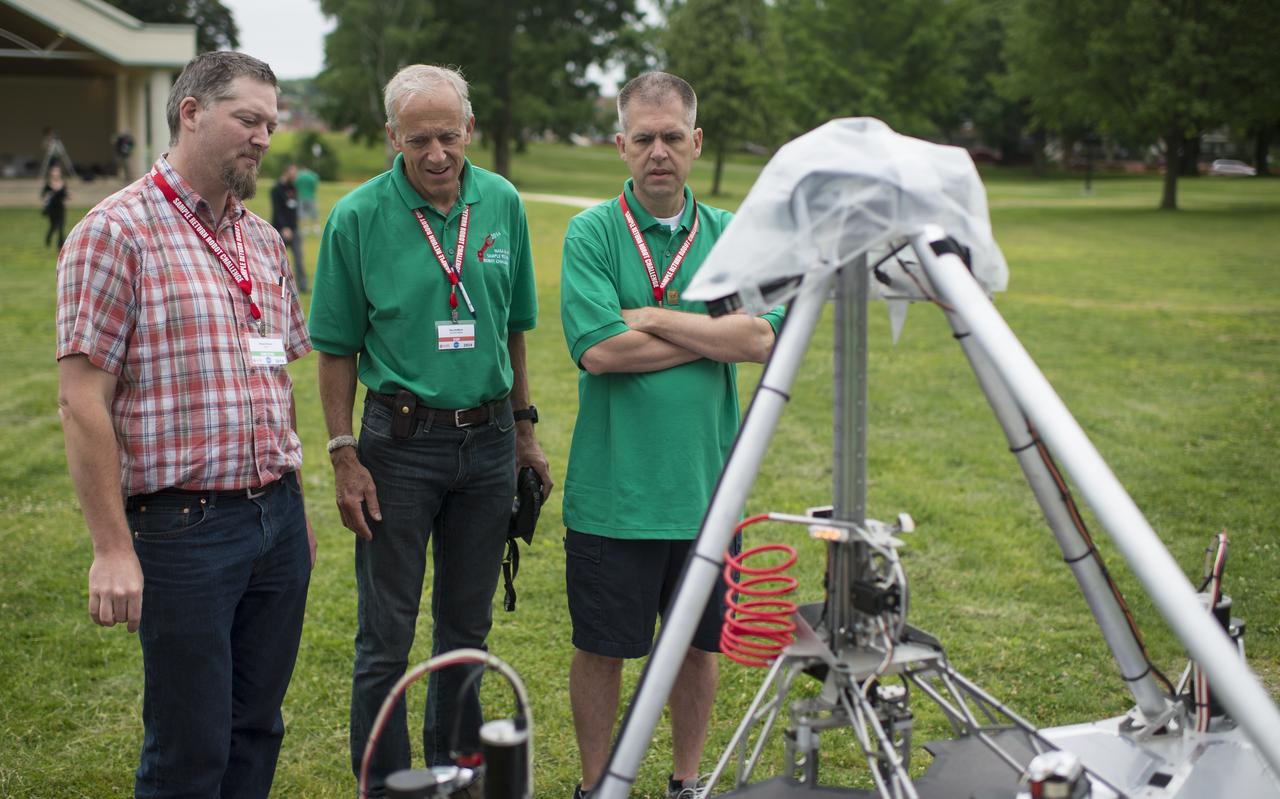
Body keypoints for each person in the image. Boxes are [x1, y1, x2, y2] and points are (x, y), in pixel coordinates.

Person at [55, 51, 315, 798]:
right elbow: (81, 401)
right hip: (184, 532)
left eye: (271, 121)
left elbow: (277, 376)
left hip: (275, 520)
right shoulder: (115, 232)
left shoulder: (261, 241)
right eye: (248, 118)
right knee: (189, 747)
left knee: (257, 727)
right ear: (191, 112)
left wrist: (291, 503)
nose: (265, 136)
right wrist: (111, 548)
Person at [309, 63, 552, 797]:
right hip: (397, 446)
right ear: (393, 137)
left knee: (467, 631)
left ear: (469, 130)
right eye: (419, 139)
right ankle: (385, 785)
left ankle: (456, 776)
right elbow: (335, 348)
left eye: (449, 135)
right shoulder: (356, 217)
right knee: (385, 638)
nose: (437, 153)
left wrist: (526, 431)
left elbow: (512, 329)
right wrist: (343, 453)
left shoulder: (502, 202)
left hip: (487, 443)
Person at [559, 71, 785, 799]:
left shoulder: (728, 234)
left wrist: (651, 315)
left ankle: (687, 781)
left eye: (673, 136)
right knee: (601, 649)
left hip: (706, 491)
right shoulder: (592, 232)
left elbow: (762, 339)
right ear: (621, 145)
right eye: (644, 138)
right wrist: (711, 333)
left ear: (697, 141)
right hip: (613, 493)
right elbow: (599, 351)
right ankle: (600, 787)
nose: (659, 151)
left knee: (697, 646)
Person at [271, 161, 308, 292]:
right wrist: (284, 227)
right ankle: (280, 287)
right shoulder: (276, 189)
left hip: (294, 230)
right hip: (282, 230)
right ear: (286, 172)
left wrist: (294, 226)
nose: (295, 175)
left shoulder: (293, 188)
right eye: (293, 172)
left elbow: (294, 209)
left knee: (299, 258)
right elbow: (278, 211)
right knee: (281, 262)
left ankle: (303, 286)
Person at [42, 164, 69, 249]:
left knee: (61, 227)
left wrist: (68, 197)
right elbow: (43, 194)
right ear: (51, 173)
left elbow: (65, 194)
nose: (56, 173)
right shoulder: (49, 184)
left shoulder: (63, 183)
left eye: (57, 171)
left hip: (60, 208)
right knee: (53, 226)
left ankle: (60, 247)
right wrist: (48, 195)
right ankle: (48, 239)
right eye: (54, 171)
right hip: (52, 209)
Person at [295, 164, 320, 235]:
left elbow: (295, 186)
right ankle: (316, 228)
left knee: (303, 213)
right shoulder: (312, 176)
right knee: (314, 213)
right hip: (310, 197)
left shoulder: (298, 176)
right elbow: (315, 185)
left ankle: (305, 228)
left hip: (300, 197)